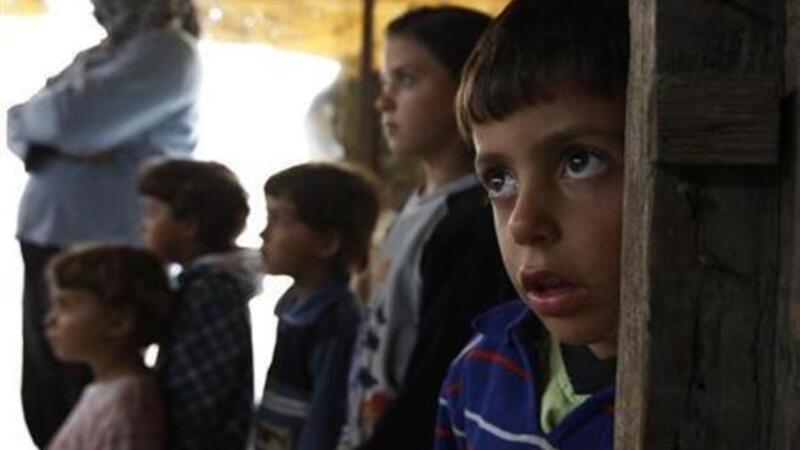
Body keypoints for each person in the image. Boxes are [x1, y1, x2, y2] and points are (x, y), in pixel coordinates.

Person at [5, 1, 201, 446]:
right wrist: (48, 130)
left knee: (88, 390)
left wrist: (54, 131)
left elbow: (70, 121)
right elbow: (16, 122)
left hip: (107, 243)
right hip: (47, 235)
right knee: (47, 385)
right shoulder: (101, 54)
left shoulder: (169, 52)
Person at [434, 1, 629, 449]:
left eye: (580, 162)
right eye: (499, 180)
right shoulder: (478, 371)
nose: (523, 224)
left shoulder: (713, 401)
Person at [338, 7, 514, 450]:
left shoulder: (476, 223)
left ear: (468, 85)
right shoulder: (413, 208)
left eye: (406, 79)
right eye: (385, 82)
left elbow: (435, 377)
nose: (383, 101)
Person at [253, 162, 380, 450]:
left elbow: (326, 417)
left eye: (279, 219)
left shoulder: (335, 320)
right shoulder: (295, 304)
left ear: (326, 242)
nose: (263, 233)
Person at [137, 159, 262, 450]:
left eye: (152, 213)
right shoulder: (200, 284)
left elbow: (198, 401)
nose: (143, 226)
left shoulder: (211, 291)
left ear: (189, 225)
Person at [44, 245, 175, 450]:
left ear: (119, 322)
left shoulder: (129, 405)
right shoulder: (109, 390)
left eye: (66, 305)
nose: (50, 320)